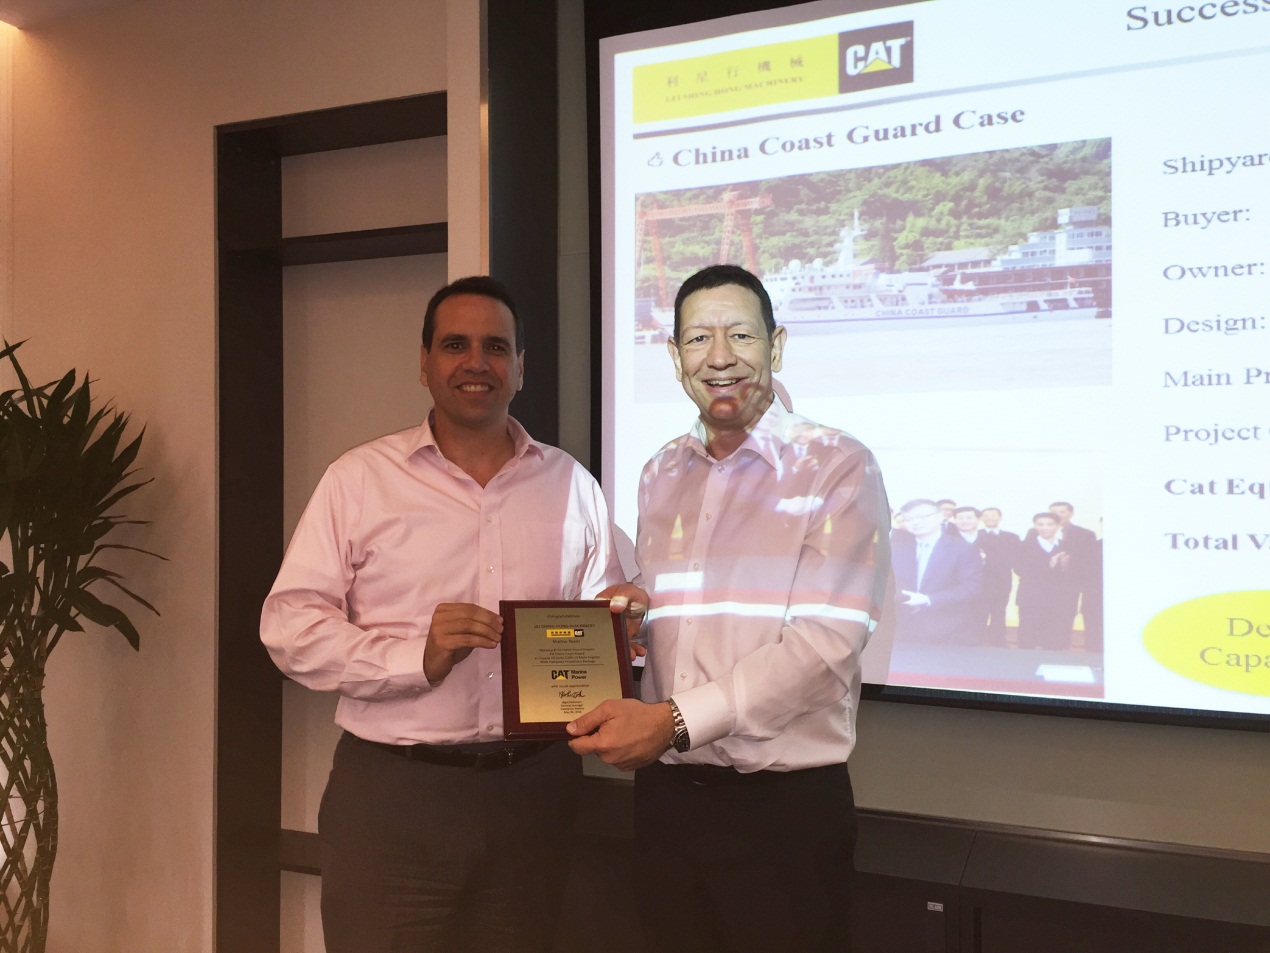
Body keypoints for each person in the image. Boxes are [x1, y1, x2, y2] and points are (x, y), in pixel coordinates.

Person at [260, 276, 631, 953]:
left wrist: (623, 626)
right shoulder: (359, 480)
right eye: (455, 345)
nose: (476, 362)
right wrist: (415, 658)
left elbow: (608, 611)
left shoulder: (571, 485)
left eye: (496, 347)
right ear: (425, 363)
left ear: (521, 367)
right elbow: (290, 628)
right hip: (395, 797)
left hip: (535, 796)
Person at [567, 264, 890, 953]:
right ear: (674, 356)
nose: (719, 357)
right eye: (697, 339)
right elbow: (683, 620)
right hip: (667, 805)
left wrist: (674, 721)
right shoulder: (661, 471)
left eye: (740, 335)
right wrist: (634, 621)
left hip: (783, 815)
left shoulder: (837, 465)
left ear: (777, 345)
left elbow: (825, 648)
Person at [890, 498, 983, 645]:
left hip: (948, 630)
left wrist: (928, 600)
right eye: (909, 519)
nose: (915, 522)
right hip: (902, 630)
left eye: (922, 517)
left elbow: (971, 586)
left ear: (940, 517)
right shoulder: (896, 549)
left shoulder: (962, 548)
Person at [1015, 511, 1081, 649]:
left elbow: (1077, 573)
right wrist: (1049, 565)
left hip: (1059, 600)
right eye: (1040, 524)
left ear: (1057, 526)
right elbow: (1019, 570)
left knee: (1056, 642)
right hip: (1031, 599)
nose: (1045, 528)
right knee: (1029, 641)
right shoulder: (1023, 546)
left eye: (1050, 524)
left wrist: (1065, 567)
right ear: (1035, 526)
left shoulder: (1067, 546)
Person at [977, 507, 1020, 643]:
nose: (990, 518)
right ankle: (978, 640)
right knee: (979, 610)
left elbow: (1016, 558)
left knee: (999, 610)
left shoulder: (1012, 537)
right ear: (981, 518)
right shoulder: (975, 535)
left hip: (1002, 579)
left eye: (993, 515)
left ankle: (998, 641)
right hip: (980, 579)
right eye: (986, 515)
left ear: (1000, 518)